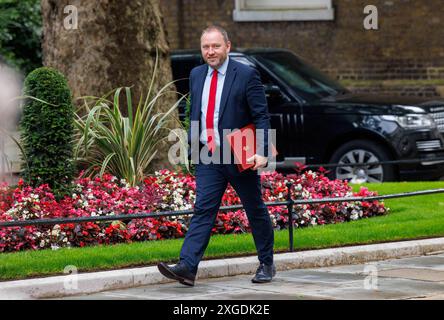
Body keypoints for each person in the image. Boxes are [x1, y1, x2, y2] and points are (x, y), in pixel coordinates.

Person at [157, 25, 275, 286]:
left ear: (228, 47)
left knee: (254, 208)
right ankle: (187, 267)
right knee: (203, 210)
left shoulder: (245, 75)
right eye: (206, 47)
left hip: (238, 154)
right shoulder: (197, 74)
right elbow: (195, 112)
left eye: (216, 46)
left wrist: (263, 151)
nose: (210, 51)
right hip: (208, 156)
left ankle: (266, 262)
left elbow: (261, 116)